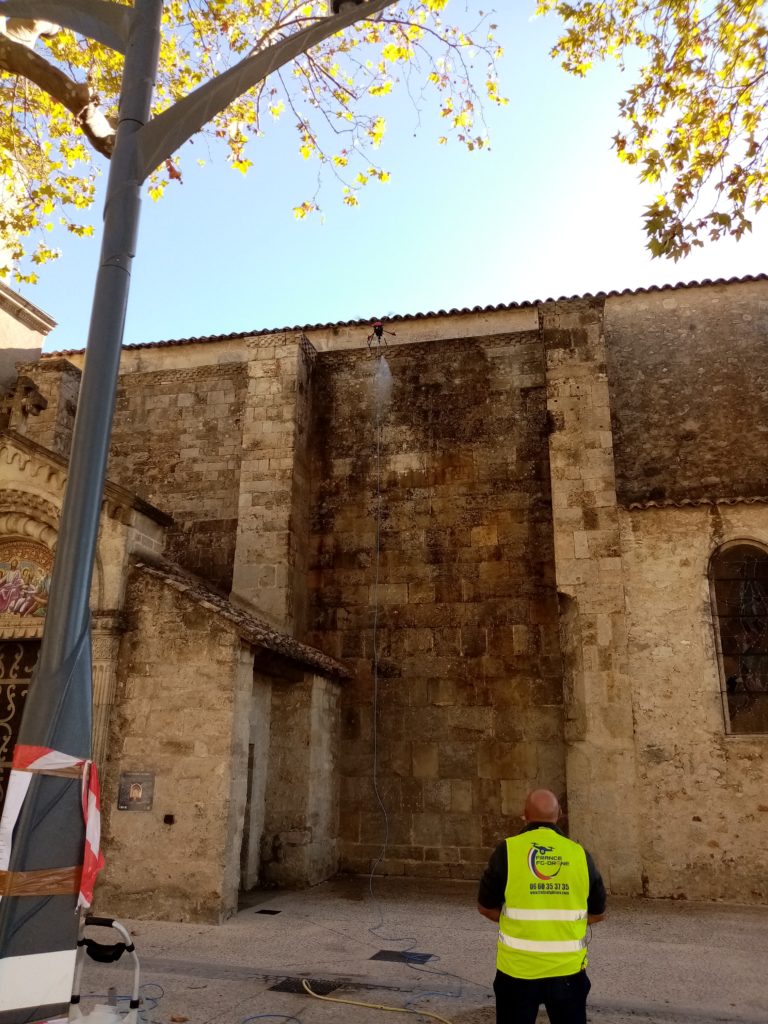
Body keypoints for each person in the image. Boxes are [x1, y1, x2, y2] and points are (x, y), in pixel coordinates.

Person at [477, 789, 606, 1024]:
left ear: (524, 815)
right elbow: (598, 914)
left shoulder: (507, 851)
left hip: (517, 972)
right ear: (560, 815)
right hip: (567, 973)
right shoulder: (579, 855)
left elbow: (485, 907)